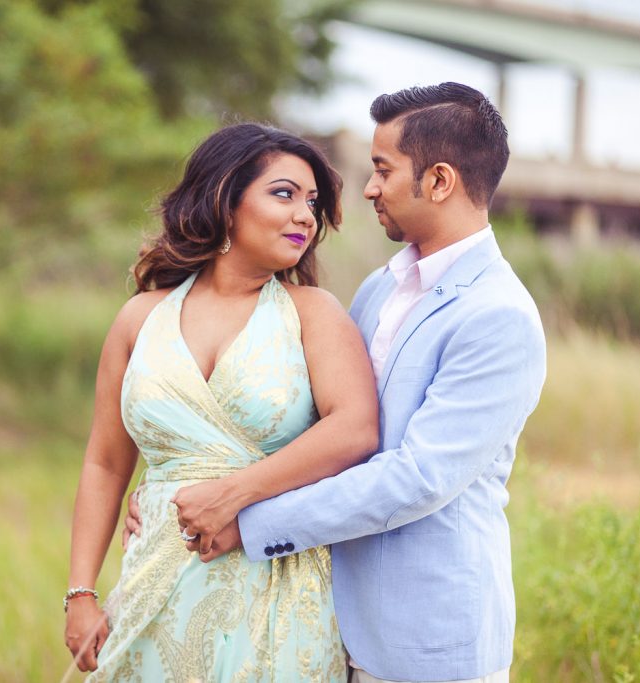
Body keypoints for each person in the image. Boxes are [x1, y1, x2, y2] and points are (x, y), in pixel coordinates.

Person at [137, 82, 547, 682]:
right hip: (323, 621)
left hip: (423, 643)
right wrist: (183, 486)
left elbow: (417, 478)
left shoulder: (498, 316)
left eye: (383, 170)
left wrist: (242, 515)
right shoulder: (380, 287)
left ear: (438, 181)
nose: (369, 187)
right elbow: (312, 420)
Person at [64, 123, 380, 680]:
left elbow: (354, 429)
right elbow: (105, 461)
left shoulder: (313, 312)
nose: (306, 215)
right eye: (284, 194)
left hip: (273, 583)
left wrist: (233, 493)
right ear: (224, 200)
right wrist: (81, 590)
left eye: (312, 202)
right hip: (154, 578)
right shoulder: (141, 318)